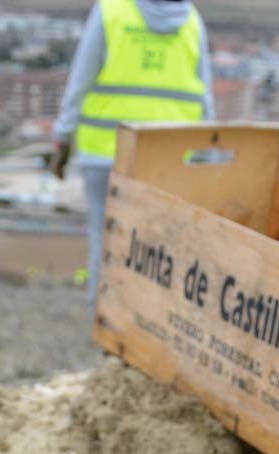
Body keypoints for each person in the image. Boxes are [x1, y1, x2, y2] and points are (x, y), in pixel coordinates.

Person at [50, 0, 215, 308]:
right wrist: (207, 155)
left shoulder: (110, 11)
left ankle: (104, 328)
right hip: (170, 160)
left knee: (107, 242)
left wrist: (62, 138)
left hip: (106, 152)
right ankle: (146, 328)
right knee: (160, 249)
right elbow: (205, 97)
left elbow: (79, 82)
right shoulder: (191, 20)